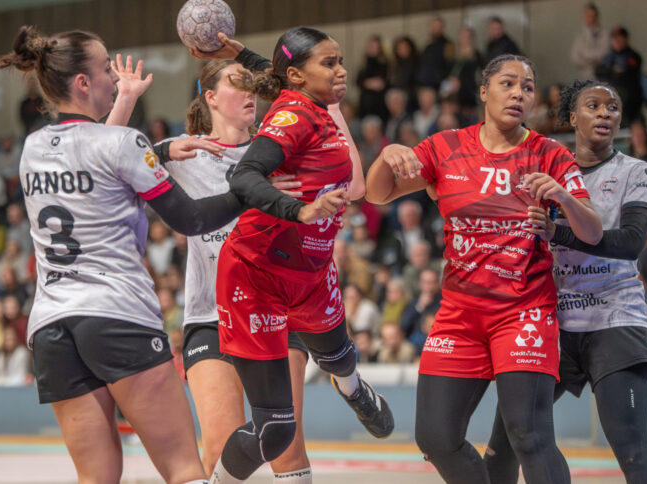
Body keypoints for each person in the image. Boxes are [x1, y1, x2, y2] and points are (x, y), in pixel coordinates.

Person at [0, 25, 242, 484]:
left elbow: (95, 155)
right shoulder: (123, 144)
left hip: (53, 326)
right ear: (83, 83)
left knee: (97, 478)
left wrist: (146, 131)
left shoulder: (31, 149)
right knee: (185, 470)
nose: (114, 74)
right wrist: (249, 191)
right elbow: (190, 220)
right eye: (107, 68)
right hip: (119, 316)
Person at [366, 54, 603, 484]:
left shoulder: (549, 153)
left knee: (528, 436)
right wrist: (388, 155)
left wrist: (565, 200)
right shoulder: (445, 146)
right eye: (508, 83)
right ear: (483, 91)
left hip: (523, 312)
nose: (518, 93)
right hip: (459, 315)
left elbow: (591, 231)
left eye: (528, 87)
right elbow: (378, 194)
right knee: (435, 437)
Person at [111, 45, 324, 481]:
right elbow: (108, 163)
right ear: (210, 96)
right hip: (211, 315)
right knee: (220, 448)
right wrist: (165, 151)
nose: (251, 94)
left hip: (276, 311)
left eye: (254, 86)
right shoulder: (188, 155)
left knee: (285, 446)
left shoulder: (277, 149)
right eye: (237, 83)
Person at [209, 27, 393, 484]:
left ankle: (351, 388)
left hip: (311, 267)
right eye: (328, 63)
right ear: (298, 74)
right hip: (258, 275)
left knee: (340, 356)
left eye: (340, 60)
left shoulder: (312, 103)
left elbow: (277, 80)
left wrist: (245, 53)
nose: (342, 70)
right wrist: (300, 209)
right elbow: (245, 177)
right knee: (276, 428)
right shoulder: (294, 117)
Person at [483, 79, 647, 484]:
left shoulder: (635, 171)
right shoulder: (544, 168)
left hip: (615, 320)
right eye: (594, 106)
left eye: (613, 107)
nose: (605, 113)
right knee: (508, 436)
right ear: (571, 118)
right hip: (553, 324)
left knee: (631, 448)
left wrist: (558, 231)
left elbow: (631, 243)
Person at [597, 27, 644, 126]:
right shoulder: (607, 58)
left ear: (626, 39)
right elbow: (600, 72)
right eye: (615, 39)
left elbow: (627, 74)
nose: (617, 41)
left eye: (620, 39)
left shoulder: (633, 56)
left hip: (630, 98)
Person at [571, 3, 610, 80]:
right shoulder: (580, 36)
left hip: (601, 75)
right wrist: (589, 60)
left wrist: (587, 57)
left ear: (597, 17)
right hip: (584, 76)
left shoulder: (604, 34)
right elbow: (576, 58)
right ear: (584, 16)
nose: (590, 18)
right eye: (588, 15)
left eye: (592, 16)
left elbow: (604, 54)